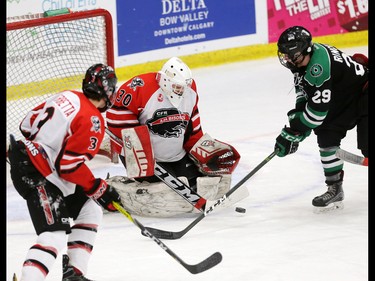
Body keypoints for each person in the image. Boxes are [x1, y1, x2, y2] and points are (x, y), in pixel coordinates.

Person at [7, 63, 122, 281]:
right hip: (36, 172)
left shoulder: (68, 96)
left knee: (90, 209)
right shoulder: (94, 122)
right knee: (54, 235)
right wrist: (98, 187)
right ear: (107, 91)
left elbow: (26, 125)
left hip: (39, 165)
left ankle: (74, 274)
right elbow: (69, 167)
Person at [105, 56, 241, 217]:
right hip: (147, 157)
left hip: (176, 154)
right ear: (165, 81)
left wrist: (203, 150)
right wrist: (135, 145)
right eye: (177, 87)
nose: (181, 91)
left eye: (183, 86)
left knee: (195, 184)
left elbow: (192, 127)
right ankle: (113, 186)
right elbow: (116, 112)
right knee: (164, 191)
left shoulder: (190, 91)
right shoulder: (140, 87)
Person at [274, 26, 368, 213]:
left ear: (306, 50)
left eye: (292, 56)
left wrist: (297, 129)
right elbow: (303, 93)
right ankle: (335, 188)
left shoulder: (318, 67)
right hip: (346, 97)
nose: (288, 60)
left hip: (365, 93)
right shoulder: (302, 61)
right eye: (285, 55)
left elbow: (316, 114)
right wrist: (297, 126)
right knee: (326, 133)